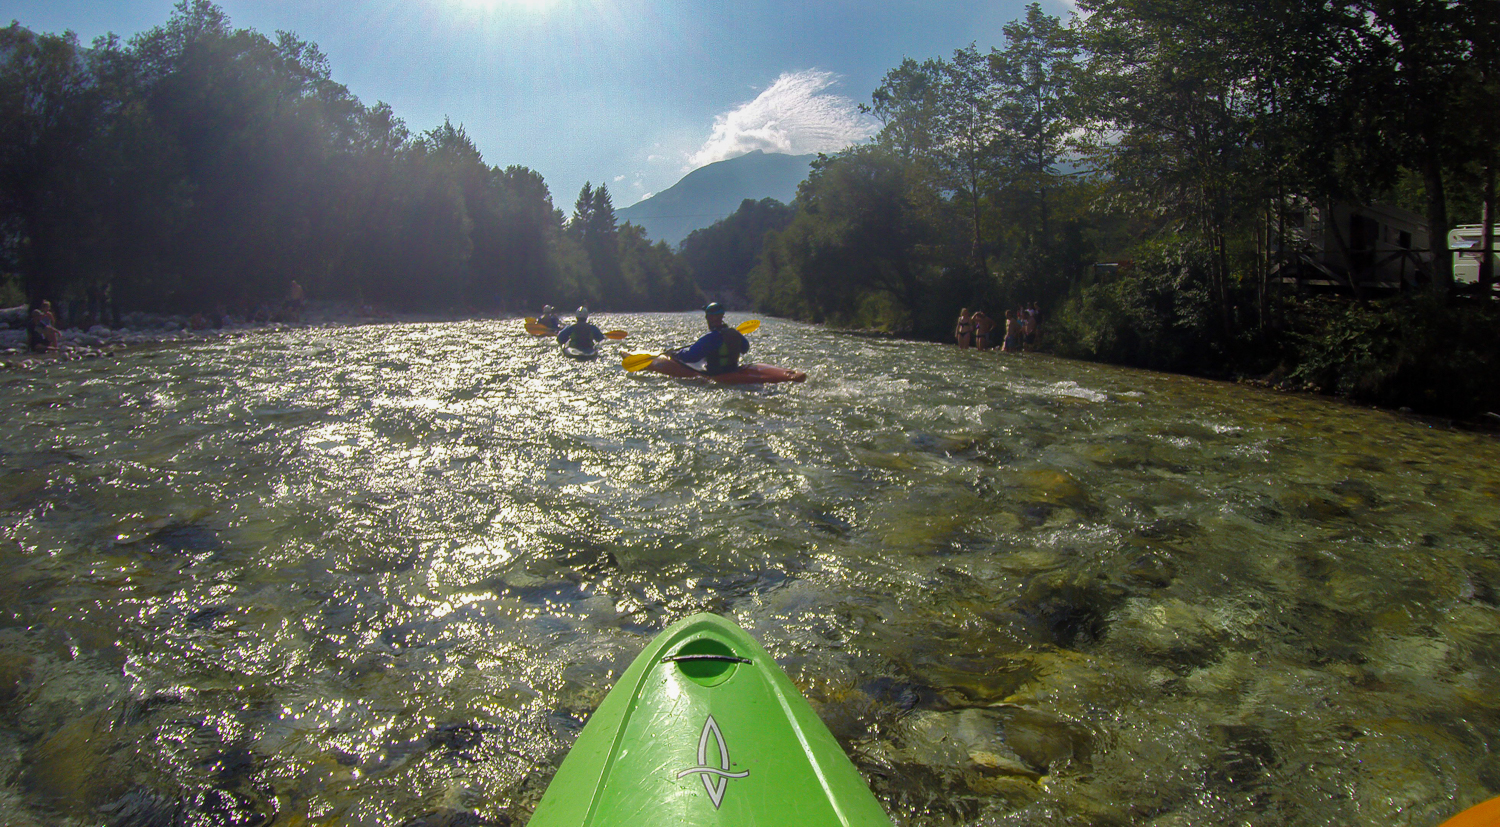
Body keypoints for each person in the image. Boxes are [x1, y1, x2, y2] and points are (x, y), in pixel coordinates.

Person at [673, 302, 749, 375]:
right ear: (722, 316)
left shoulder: (711, 337)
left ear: (709, 318)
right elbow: (745, 348)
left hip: (717, 374)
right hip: (733, 370)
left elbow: (690, 357)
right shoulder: (735, 334)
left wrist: (677, 353)